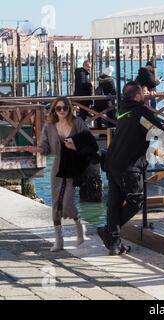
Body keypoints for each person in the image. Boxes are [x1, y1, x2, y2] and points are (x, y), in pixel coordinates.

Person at [98, 81, 164, 255]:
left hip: (112, 162)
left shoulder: (123, 112)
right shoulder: (140, 112)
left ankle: (114, 243)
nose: (145, 95)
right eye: (143, 92)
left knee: (114, 203)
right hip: (128, 165)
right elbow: (158, 132)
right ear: (137, 96)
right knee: (136, 201)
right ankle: (109, 232)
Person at [26, 97, 97, 252]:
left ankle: (79, 225)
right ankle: (59, 240)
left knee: (67, 204)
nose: (62, 111)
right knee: (56, 204)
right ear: (54, 110)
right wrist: (37, 150)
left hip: (73, 166)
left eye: (65, 108)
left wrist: (75, 146)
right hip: (58, 167)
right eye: (58, 108)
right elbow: (45, 146)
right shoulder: (49, 126)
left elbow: (89, 141)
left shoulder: (77, 123)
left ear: (69, 108)